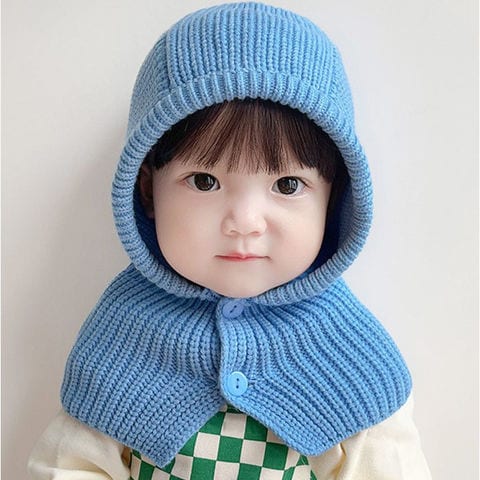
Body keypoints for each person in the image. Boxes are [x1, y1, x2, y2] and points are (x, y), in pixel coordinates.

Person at [28, 2, 432, 479]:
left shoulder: (347, 346)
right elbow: (69, 465)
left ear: (335, 199)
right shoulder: (120, 332)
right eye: (205, 181)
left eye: (287, 185)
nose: (245, 223)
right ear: (147, 190)